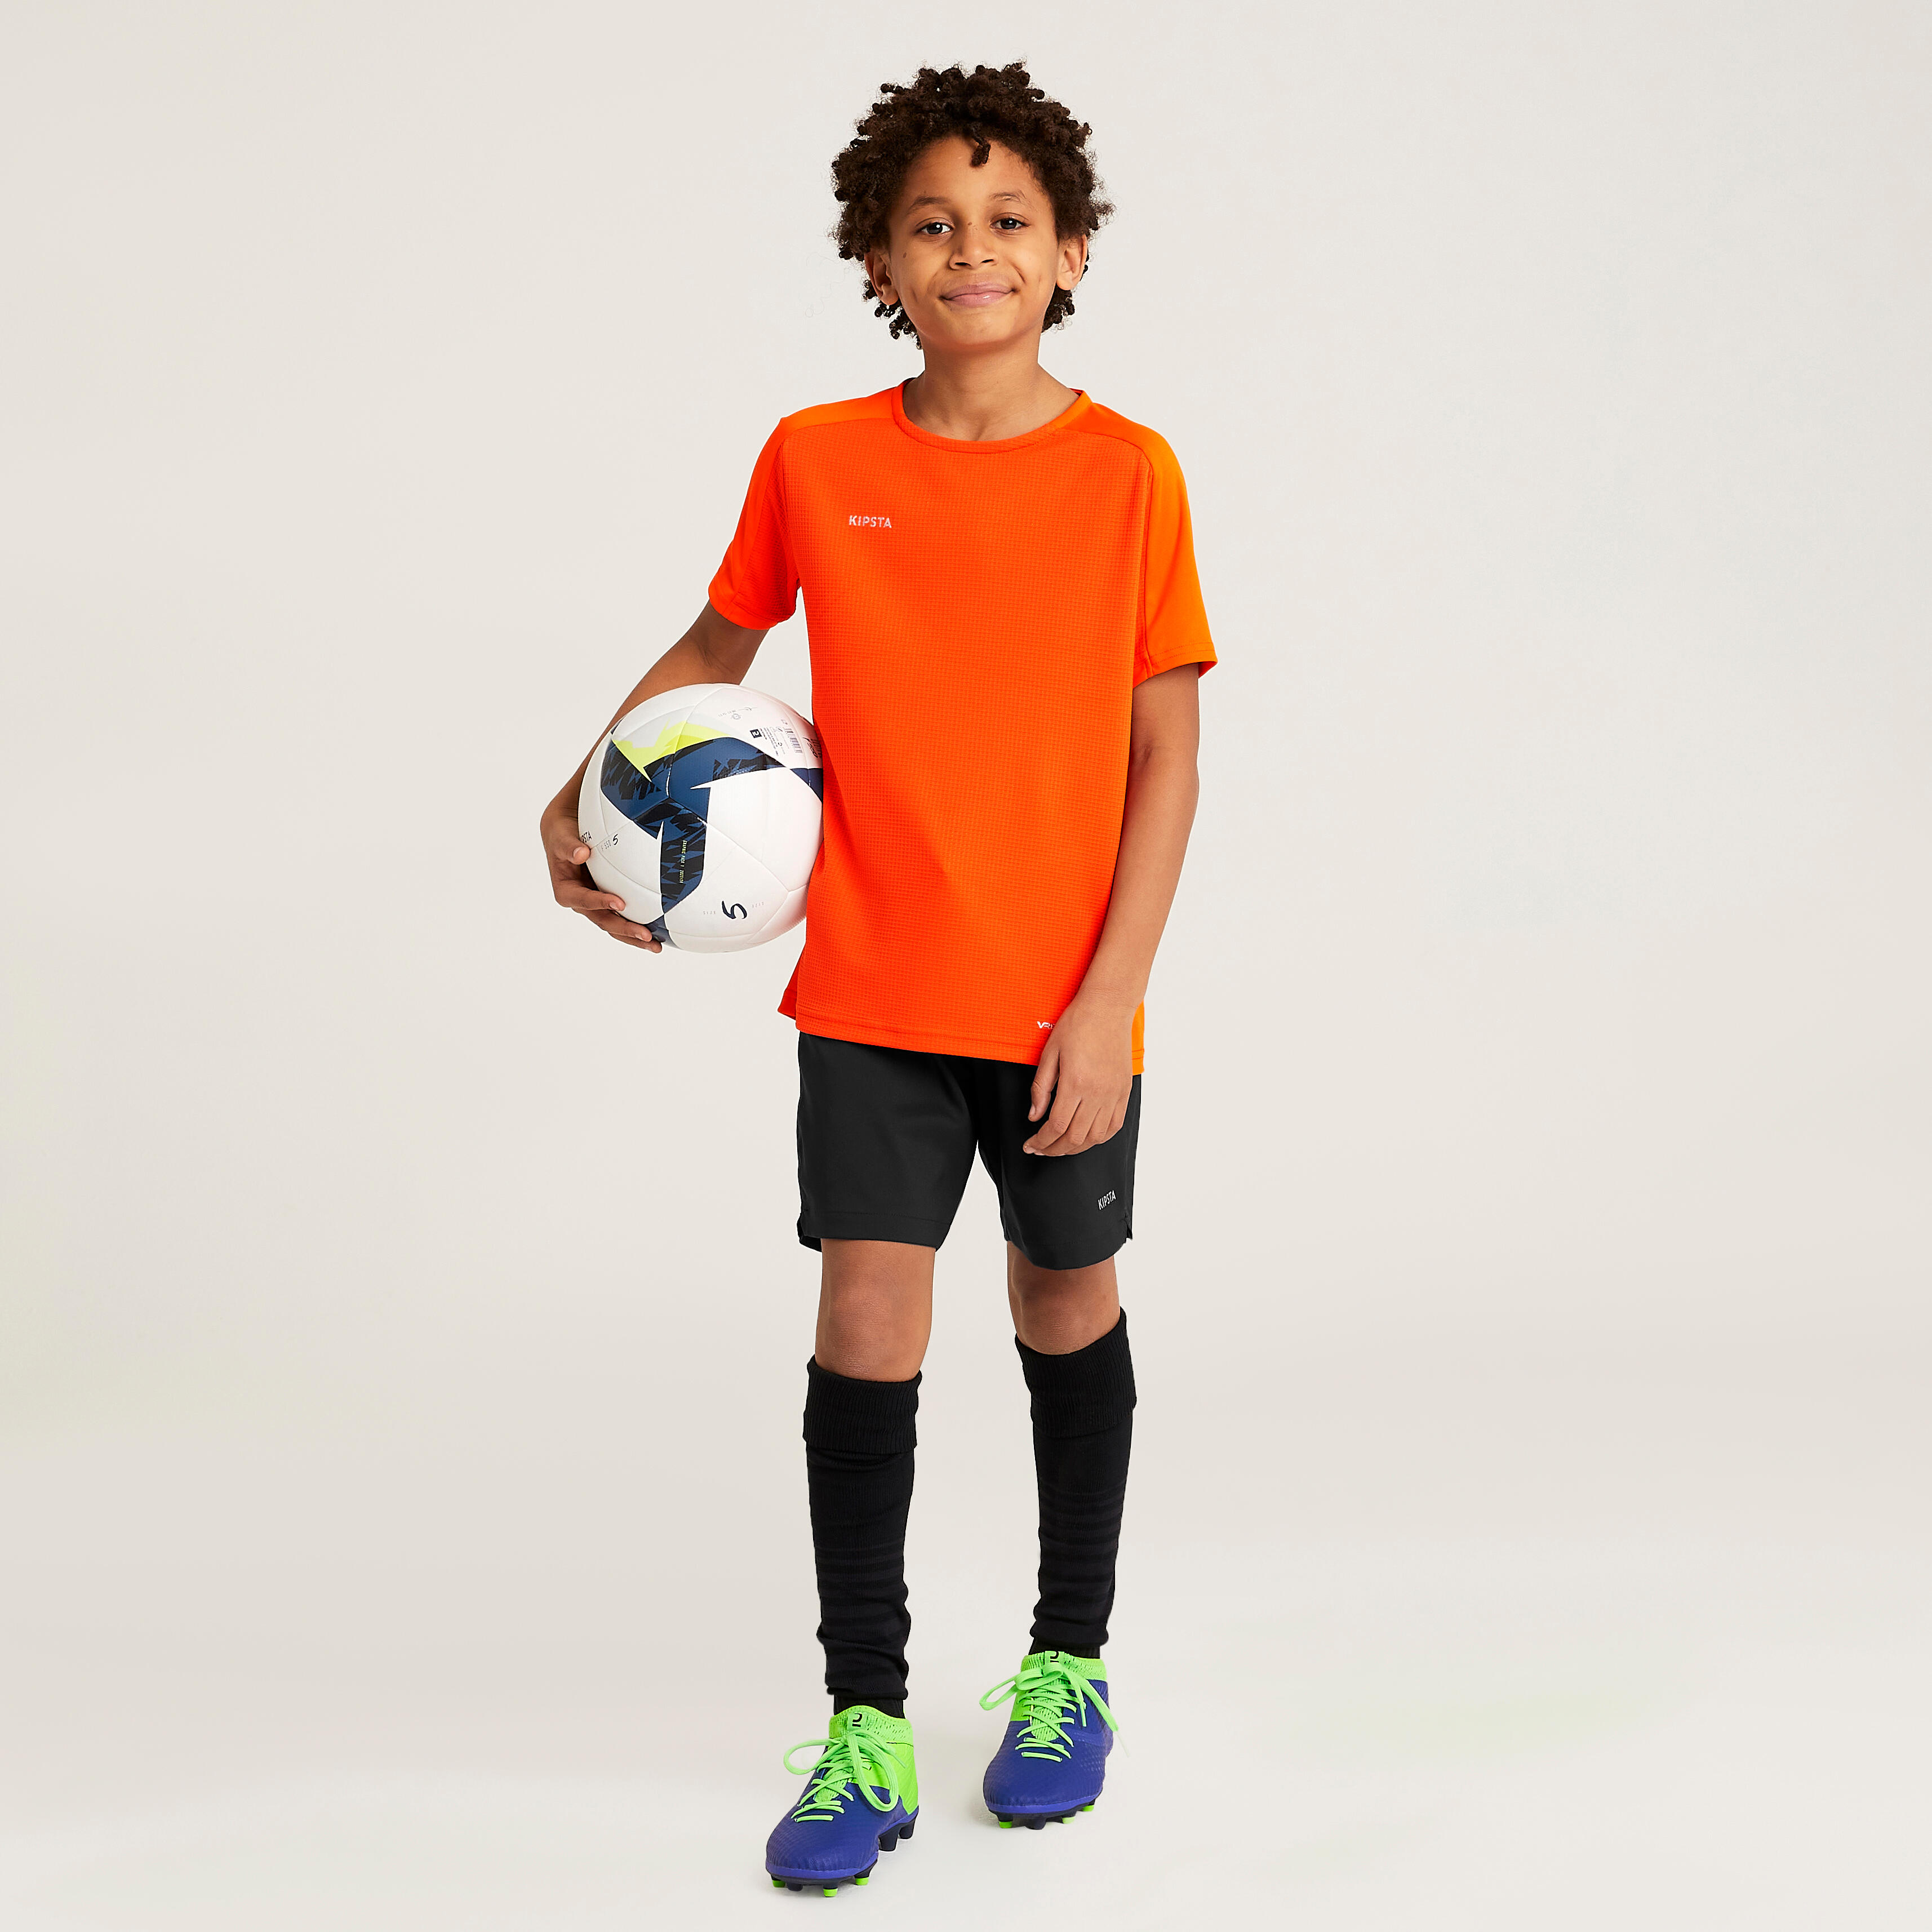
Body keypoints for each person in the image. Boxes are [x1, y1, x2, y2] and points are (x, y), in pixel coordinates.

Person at [538, 61, 1215, 1895]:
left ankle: (1067, 1669)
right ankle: (869, 1721)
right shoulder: (818, 459)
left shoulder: (1130, 474)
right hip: (871, 988)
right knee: (863, 1324)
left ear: (1070, 252)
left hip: (1063, 1001)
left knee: (1066, 1299)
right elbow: (716, 646)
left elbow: (1169, 755)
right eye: (932, 224)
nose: (970, 249)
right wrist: (585, 791)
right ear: (878, 260)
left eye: (1008, 221)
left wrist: (1110, 999)